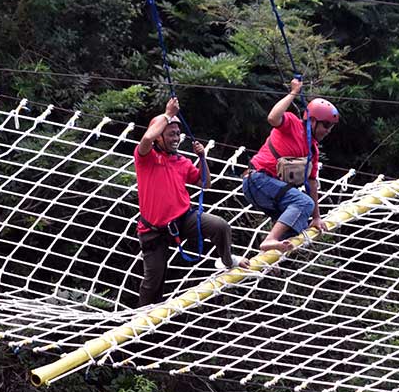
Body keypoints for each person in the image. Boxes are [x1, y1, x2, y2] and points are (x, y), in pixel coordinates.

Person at [134, 97, 248, 306]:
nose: (176, 138)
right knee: (153, 281)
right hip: (154, 230)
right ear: (159, 137)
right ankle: (142, 317)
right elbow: (147, 138)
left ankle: (227, 260)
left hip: (183, 220)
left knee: (220, 226)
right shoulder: (145, 158)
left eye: (177, 133)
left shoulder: (182, 161)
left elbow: (205, 183)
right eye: (171, 134)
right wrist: (168, 114)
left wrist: (202, 158)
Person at [242, 78, 338, 252]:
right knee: (303, 203)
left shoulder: (313, 150)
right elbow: (272, 118)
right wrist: (293, 92)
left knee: (298, 223)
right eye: (326, 125)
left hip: (269, 191)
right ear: (313, 121)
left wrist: (316, 217)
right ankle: (270, 240)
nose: (328, 131)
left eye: (331, 127)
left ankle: (268, 256)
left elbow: (311, 183)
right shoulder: (293, 124)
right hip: (258, 180)